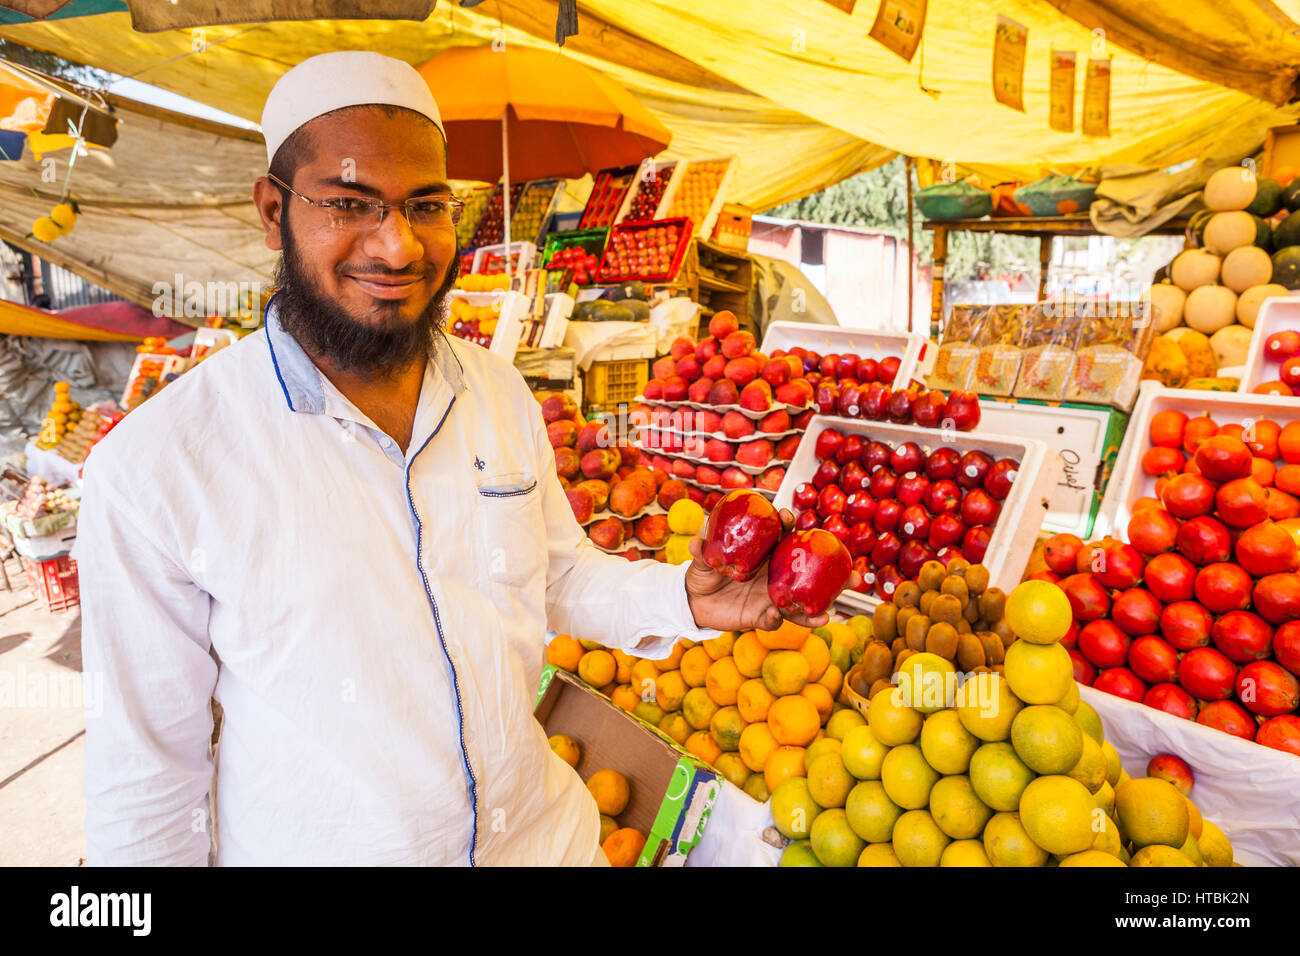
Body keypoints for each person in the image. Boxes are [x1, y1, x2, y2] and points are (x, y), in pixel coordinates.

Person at [75, 51, 838, 867]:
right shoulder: (160, 469)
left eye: (425, 205)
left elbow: (555, 579)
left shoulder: (496, 392)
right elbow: (146, 783)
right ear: (273, 211)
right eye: (349, 203)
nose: (397, 246)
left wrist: (684, 598)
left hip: (551, 846)